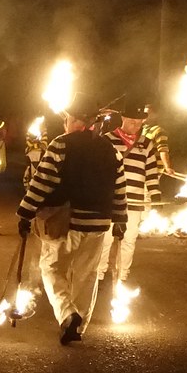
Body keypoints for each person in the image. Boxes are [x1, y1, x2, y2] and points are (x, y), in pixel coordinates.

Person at [17, 95, 127, 344]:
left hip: (66, 222)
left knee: (51, 268)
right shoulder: (110, 149)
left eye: (67, 118)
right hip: (99, 224)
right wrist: (121, 219)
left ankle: (68, 314)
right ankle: (78, 327)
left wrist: (25, 212)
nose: (64, 122)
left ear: (76, 120)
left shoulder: (61, 145)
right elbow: (120, 187)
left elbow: (42, 182)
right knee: (87, 275)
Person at [96, 103, 161, 284]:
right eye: (132, 121)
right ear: (123, 118)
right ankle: (99, 274)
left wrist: (155, 196)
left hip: (135, 201)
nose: (136, 125)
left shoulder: (147, 144)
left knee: (129, 240)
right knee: (105, 239)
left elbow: (151, 173)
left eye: (139, 122)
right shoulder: (106, 140)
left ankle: (122, 275)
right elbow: (98, 170)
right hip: (110, 200)